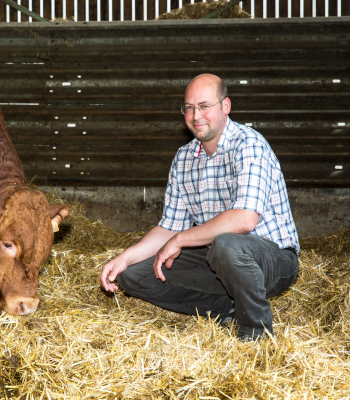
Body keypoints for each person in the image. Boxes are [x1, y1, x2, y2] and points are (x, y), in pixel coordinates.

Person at [100, 73, 300, 341]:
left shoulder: (248, 144)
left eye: (205, 106)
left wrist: (181, 239)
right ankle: (228, 309)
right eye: (189, 108)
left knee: (226, 244)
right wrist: (125, 257)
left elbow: (245, 220)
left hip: (272, 261)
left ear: (225, 106)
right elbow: (169, 227)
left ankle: (256, 332)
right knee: (134, 276)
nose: (196, 116)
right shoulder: (184, 158)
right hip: (218, 260)